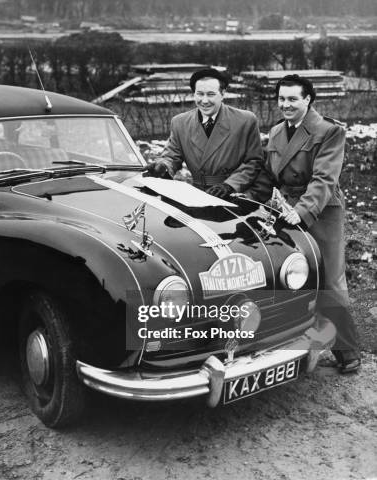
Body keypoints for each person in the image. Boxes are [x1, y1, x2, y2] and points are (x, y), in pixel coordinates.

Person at [249, 74, 361, 374]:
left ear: (308, 99)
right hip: (289, 210)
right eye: (281, 99)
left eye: (292, 99)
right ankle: (289, 343)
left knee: (329, 279)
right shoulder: (275, 133)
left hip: (321, 210)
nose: (285, 104)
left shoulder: (328, 131)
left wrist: (303, 211)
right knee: (290, 272)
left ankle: (348, 352)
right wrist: (244, 198)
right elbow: (268, 176)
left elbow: (325, 178)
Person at [145, 68, 263, 198]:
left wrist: (230, 185)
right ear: (193, 94)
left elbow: (254, 162)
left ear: (223, 93)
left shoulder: (245, 120)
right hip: (198, 195)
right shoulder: (180, 122)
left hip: (235, 194)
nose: (205, 101)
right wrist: (163, 166)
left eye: (211, 94)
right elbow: (172, 156)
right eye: (200, 94)